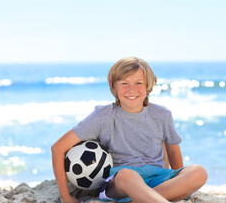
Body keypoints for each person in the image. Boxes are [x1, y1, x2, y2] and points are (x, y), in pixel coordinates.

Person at [51, 57, 207, 203]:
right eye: (124, 83)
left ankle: (143, 199)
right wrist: (65, 197)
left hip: (157, 180)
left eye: (139, 83)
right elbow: (58, 148)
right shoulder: (102, 116)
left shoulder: (162, 115)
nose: (131, 89)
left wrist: (180, 184)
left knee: (198, 172)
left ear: (148, 86)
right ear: (113, 85)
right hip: (120, 184)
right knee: (127, 174)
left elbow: (173, 152)